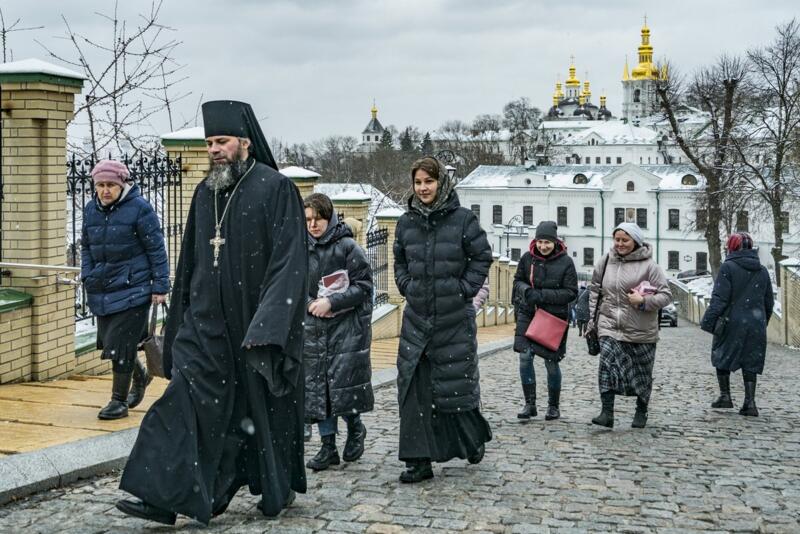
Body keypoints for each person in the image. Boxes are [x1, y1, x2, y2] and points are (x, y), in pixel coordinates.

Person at [116, 100, 308, 525]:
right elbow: (191, 261)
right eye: (208, 143)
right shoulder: (205, 193)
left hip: (253, 326)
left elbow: (291, 263)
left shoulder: (276, 189)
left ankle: (263, 486)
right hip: (207, 328)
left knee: (259, 413)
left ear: (244, 141)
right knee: (180, 403)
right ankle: (160, 496)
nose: (214, 150)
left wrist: (270, 322)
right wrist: (179, 317)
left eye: (221, 141)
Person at [394, 156, 493, 483]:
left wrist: (463, 289)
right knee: (413, 391)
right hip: (417, 321)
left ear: (441, 183)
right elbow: (398, 261)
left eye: (429, 181)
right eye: (418, 182)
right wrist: (406, 285)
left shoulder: (463, 220)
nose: (423, 188)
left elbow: (482, 256)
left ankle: (471, 438)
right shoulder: (406, 222)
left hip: (453, 321)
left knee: (453, 392)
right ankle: (418, 461)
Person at [80, 159, 169, 420]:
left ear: (122, 185)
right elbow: (86, 246)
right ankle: (139, 375)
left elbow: (156, 249)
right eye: (100, 185)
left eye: (111, 185)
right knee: (109, 343)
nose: (105, 190)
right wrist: (87, 274)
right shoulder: (90, 210)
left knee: (120, 344)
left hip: (134, 288)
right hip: (102, 286)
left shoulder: (140, 209)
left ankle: (117, 401)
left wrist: (160, 285)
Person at [303, 193, 374, 471]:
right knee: (320, 389)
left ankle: (355, 427)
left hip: (345, 328)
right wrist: (310, 304)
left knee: (343, 385)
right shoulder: (301, 248)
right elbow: (295, 288)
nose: (313, 225)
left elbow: (364, 286)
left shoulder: (347, 247)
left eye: (317, 219)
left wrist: (333, 301)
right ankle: (327, 446)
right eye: (308, 220)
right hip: (314, 328)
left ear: (328, 217)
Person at [588, 222, 671, 429]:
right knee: (606, 368)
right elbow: (595, 290)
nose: (620, 244)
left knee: (641, 373)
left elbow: (666, 295)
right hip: (609, 326)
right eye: (617, 239)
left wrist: (644, 302)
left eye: (625, 240)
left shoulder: (650, 266)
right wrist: (593, 319)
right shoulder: (605, 261)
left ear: (636, 241)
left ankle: (641, 410)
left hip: (640, 329)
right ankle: (606, 413)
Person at [700, 232, 773, 416]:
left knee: (721, 354)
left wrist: (708, 321)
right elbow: (769, 302)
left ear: (731, 247)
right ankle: (750, 402)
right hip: (755, 323)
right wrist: (761, 321)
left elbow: (720, 298)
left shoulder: (728, 267)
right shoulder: (762, 270)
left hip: (730, 322)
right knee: (751, 360)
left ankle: (725, 397)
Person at [512, 221, 578, 421]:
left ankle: (553, 406)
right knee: (525, 357)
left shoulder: (566, 262)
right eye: (540, 242)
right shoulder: (527, 259)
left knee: (551, 361)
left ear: (555, 242)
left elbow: (571, 292)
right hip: (528, 313)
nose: (543, 246)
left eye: (547, 242)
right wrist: (526, 291)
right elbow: (517, 281)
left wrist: (541, 295)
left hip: (552, 317)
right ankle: (530, 404)